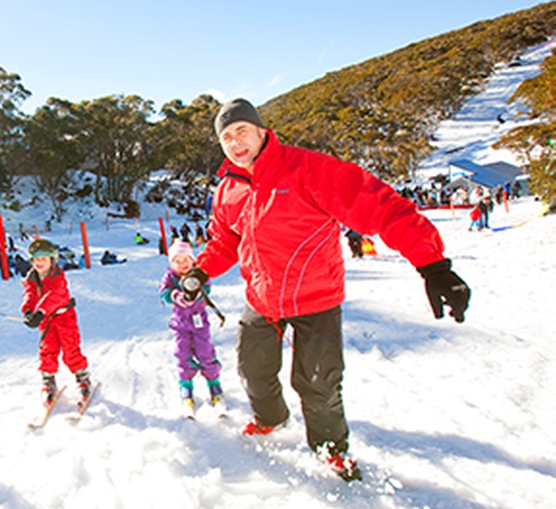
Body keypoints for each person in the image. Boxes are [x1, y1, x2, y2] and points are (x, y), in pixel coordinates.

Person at [195, 98, 470, 481]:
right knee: (252, 369)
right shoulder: (228, 189)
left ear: (261, 130)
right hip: (262, 297)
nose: (235, 142)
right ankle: (270, 417)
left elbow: (382, 207)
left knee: (319, 383)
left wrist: (433, 265)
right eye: (226, 137)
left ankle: (330, 447)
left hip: (316, 298)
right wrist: (198, 272)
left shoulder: (308, 169)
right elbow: (225, 240)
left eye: (241, 131)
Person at [21, 238, 93, 409]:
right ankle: (48, 380)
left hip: (64, 317)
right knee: (47, 348)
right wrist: (28, 311)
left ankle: (82, 377)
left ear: (52, 260)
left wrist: (41, 311)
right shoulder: (32, 277)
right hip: (46, 320)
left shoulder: (58, 277)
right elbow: (30, 294)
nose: (39, 263)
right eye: (36, 260)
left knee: (70, 348)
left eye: (43, 259)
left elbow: (55, 295)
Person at [158, 241, 225, 415]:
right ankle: (186, 386)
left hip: (199, 322)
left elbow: (207, 286)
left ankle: (214, 384)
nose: (182, 264)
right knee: (182, 353)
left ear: (192, 259)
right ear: (171, 263)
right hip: (181, 323)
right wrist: (176, 296)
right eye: (177, 260)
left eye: (186, 259)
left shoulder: (198, 274)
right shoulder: (171, 277)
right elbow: (164, 292)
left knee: (205, 352)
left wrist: (197, 293)